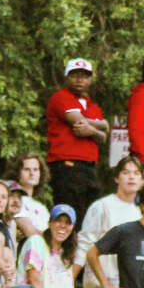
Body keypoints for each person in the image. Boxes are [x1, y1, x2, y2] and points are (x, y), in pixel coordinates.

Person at [46, 58, 108, 229]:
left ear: (90, 80)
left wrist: (96, 130)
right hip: (67, 165)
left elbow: (104, 136)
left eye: (85, 76)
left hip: (89, 167)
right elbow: (78, 122)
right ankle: (65, 252)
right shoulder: (61, 97)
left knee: (89, 217)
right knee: (69, 215)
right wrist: (100, 126)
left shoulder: (92, 106)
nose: (80, 79)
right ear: (67, 77)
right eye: (75, 75)